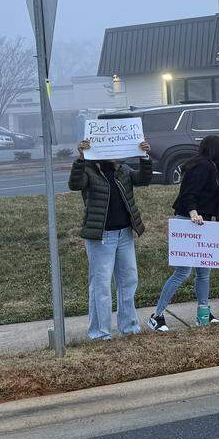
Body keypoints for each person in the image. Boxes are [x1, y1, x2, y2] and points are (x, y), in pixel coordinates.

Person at [69, 137, 152, 339]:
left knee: (129, 280)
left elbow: (143, 179)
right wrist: (80, 158)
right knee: (101, 284)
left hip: (124, 233)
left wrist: (145, 156)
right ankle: (100, 332)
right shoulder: (89, 170)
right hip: (101, 236)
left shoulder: (122, 171)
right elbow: (74, 183)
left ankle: (129, 326)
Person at [151, 135, 219, 332]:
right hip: (189, 222)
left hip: (203, 223)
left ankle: (204, 314)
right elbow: (188, 192)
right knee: (182, 273)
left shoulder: (209, 166)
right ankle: (157, 316)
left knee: (204, 273)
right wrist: (193, 212)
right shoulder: (203, 166)